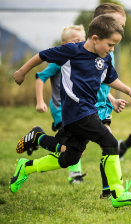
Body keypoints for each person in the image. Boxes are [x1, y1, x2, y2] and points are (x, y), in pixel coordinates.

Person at [11, 14, 131, 208]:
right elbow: (42, 55)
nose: (112, 49)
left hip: (85, 112)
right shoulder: (71, 51)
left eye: (115, 46)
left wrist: (129, 91)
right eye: (110, 44)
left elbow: (109, 79)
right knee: (109, 142)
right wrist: (22, 71)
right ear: (95, 38)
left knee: (70, 157)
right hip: (76, 111)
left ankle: (26, 167)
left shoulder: (104, 58)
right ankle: (117, 192)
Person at [34, 24, 87, 184]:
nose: (80, 43)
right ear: (64, 44)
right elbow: (40, 77)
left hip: (75, 110)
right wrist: (40, 101)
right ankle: (38, 138)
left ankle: (38, 138)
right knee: (72, 146)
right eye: (75, 40)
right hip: (60, 109)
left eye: (82, 40)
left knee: (76, 145)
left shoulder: (82, 60)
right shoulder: (60, 60)